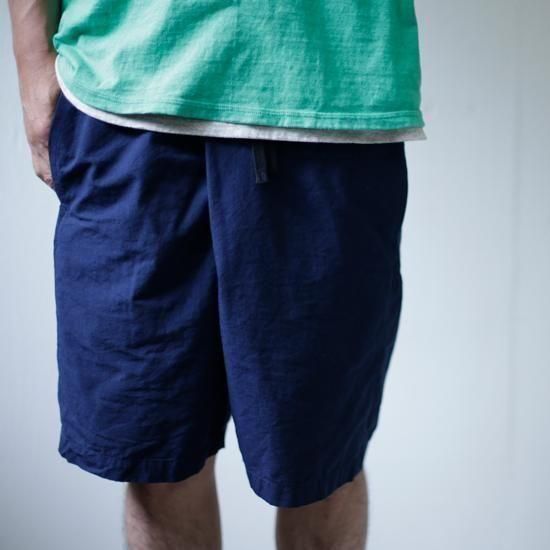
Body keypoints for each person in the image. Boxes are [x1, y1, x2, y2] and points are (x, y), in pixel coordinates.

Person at [8, 0, 426, 548]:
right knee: (156, 454)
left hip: (331, 95)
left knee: (325, 461)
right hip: (125, 95)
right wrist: (32, 66)